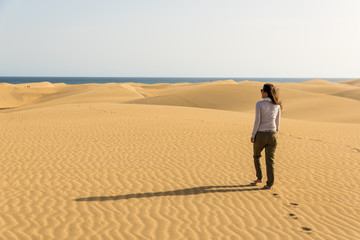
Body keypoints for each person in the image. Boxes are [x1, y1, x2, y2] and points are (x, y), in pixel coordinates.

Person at [251, 83, 282, 189]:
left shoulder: (259, 104)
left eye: (262, 90)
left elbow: (257, 121)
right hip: (273, 134)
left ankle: (259, 178)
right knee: (270, 161)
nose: (261, 92)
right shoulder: (277, 105)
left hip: (260, 134)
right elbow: (278, 123)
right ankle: (269, 184)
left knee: (256, 156)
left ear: (265, 92)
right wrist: (275, 134)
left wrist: (253, 134)